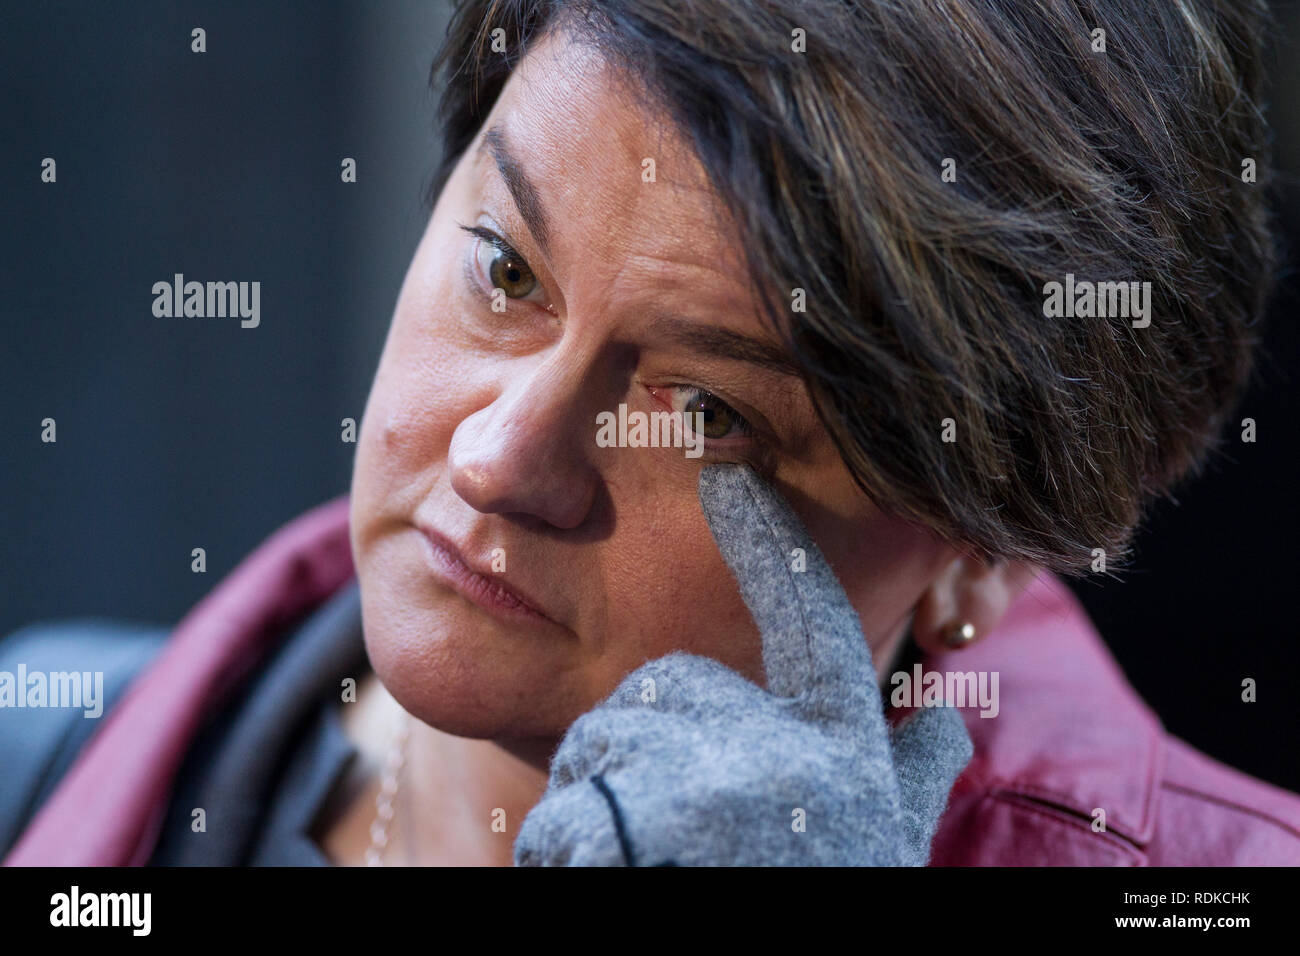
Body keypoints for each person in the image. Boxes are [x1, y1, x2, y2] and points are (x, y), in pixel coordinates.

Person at [4, 0, 1298, 866]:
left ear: (980, 557)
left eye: (708, 414)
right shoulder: (37, 754)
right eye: (508, 274)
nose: (499, 461)